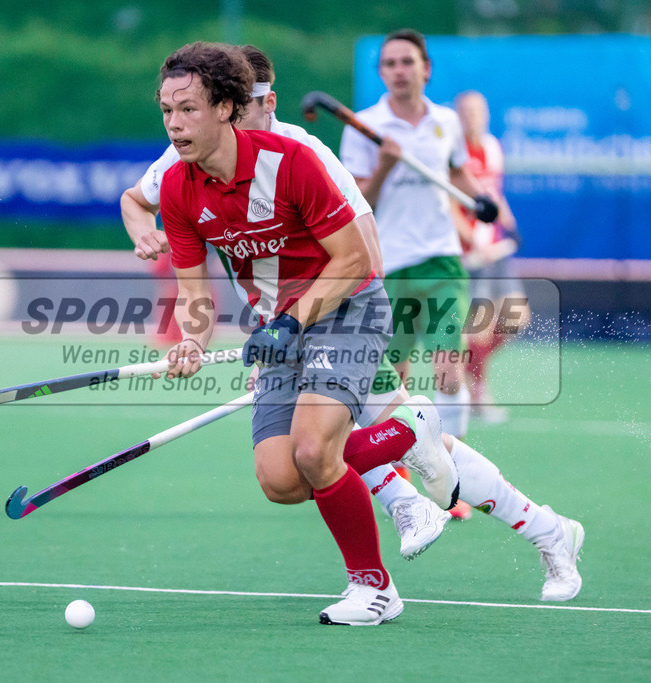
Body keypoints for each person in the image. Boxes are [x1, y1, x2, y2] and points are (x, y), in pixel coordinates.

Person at [153, 41, 461, 625]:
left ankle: (373, 589)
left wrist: (295, 319)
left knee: (315, 449)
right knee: (282, 479)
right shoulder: (177, 188)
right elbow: (195, 295)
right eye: (167, 110)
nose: (174, 123)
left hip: (347, 305)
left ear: (225, 107)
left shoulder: (290, 159)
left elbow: (353, 261)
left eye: (187, 108)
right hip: (278, 326)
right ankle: (406, 431)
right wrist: (191, 340)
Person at [338, 28, 498, 442]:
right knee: (396, 380)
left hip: (441, 260)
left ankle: (458, 472)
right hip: (386, 266)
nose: (398, 70)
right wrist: (386, 167)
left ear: (425, 69)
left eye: (407, 62)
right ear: (381, 73)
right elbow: (357, 202)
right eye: (389, 64)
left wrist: (478, 197)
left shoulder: (445, 121)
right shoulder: (363, 126)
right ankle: (404, 475)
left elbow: (458, 170)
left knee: (448, 369)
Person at [452, 90, 530, 424]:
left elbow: (493, 194)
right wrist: (472, 240)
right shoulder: (452, 152)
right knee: (478, 331)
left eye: (477, 111)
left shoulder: (493, 148)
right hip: (469, 256)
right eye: (466, 111)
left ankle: (472, 378)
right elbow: (447, 203)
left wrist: (509, 223)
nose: (472, 117)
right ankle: (477, 392)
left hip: (496, 251)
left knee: (516, 319)